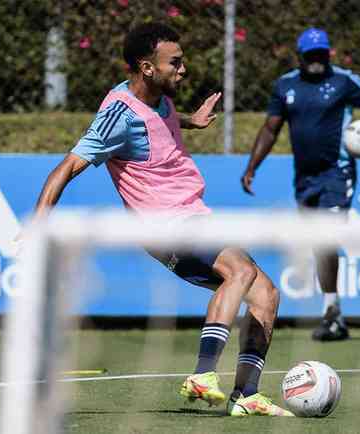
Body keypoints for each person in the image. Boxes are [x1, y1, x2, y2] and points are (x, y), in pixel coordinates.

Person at [29, 23, 292, 417]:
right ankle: (203, 375)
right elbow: (66, 167)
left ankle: (246, 395)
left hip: (191, 216)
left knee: (265, 294)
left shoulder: (161, 99)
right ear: (147, 67)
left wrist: (193, 120)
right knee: (240, 272)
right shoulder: (117, 115)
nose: (183, 69)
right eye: (176, 62)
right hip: (167, 224)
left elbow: (159, 119)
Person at [241, 27, 360, 342]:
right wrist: (252, 166)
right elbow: (270, 129)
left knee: (326, 237)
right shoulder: (285, 86)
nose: (316, 60)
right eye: (310, 55)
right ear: (300, 56)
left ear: (328, 53)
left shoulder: (344, 81)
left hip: (337, 173)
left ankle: (331, 314)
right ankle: (333, 313)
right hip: (304, 178)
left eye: (321, 54)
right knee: (317, 242)